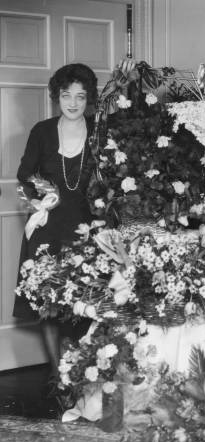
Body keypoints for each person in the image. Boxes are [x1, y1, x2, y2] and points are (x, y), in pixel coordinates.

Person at [13, 63, 98, 379]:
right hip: (48, 230)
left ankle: (81, 375)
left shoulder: (99, 130)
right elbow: (24, 178)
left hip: (87, 229)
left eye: (80, 96)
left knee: (84, 304)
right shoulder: (42, 131)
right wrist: (35, 202)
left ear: (89, 99)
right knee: (50, 307)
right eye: (66, 95)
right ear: (56, 96)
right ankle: (59, 378)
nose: (73, 103)